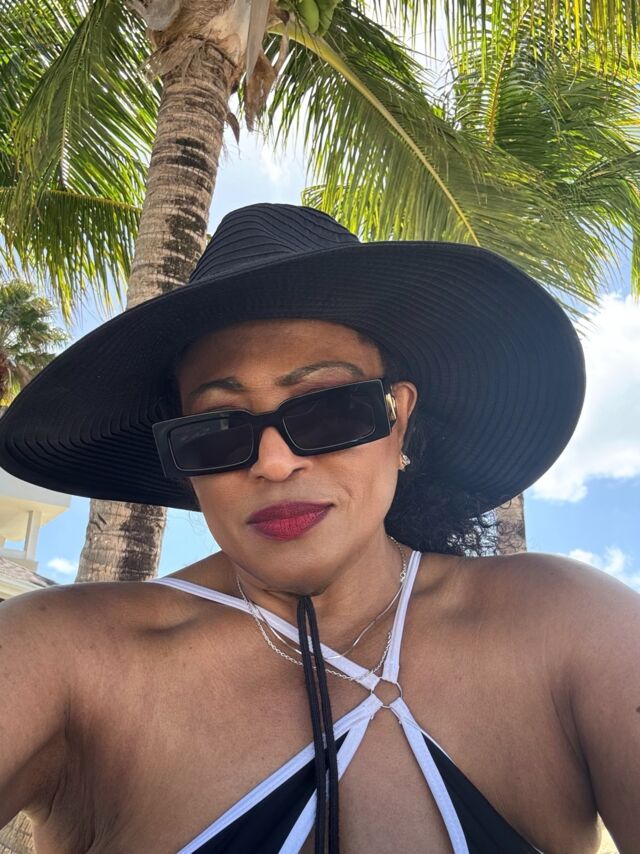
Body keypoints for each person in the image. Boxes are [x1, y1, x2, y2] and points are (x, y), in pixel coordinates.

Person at [0, 203, 638, 854]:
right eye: (217, 431)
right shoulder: (67, 654)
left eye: (330, 410)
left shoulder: (567, 626)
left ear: (398, 421)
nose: (275, 464)